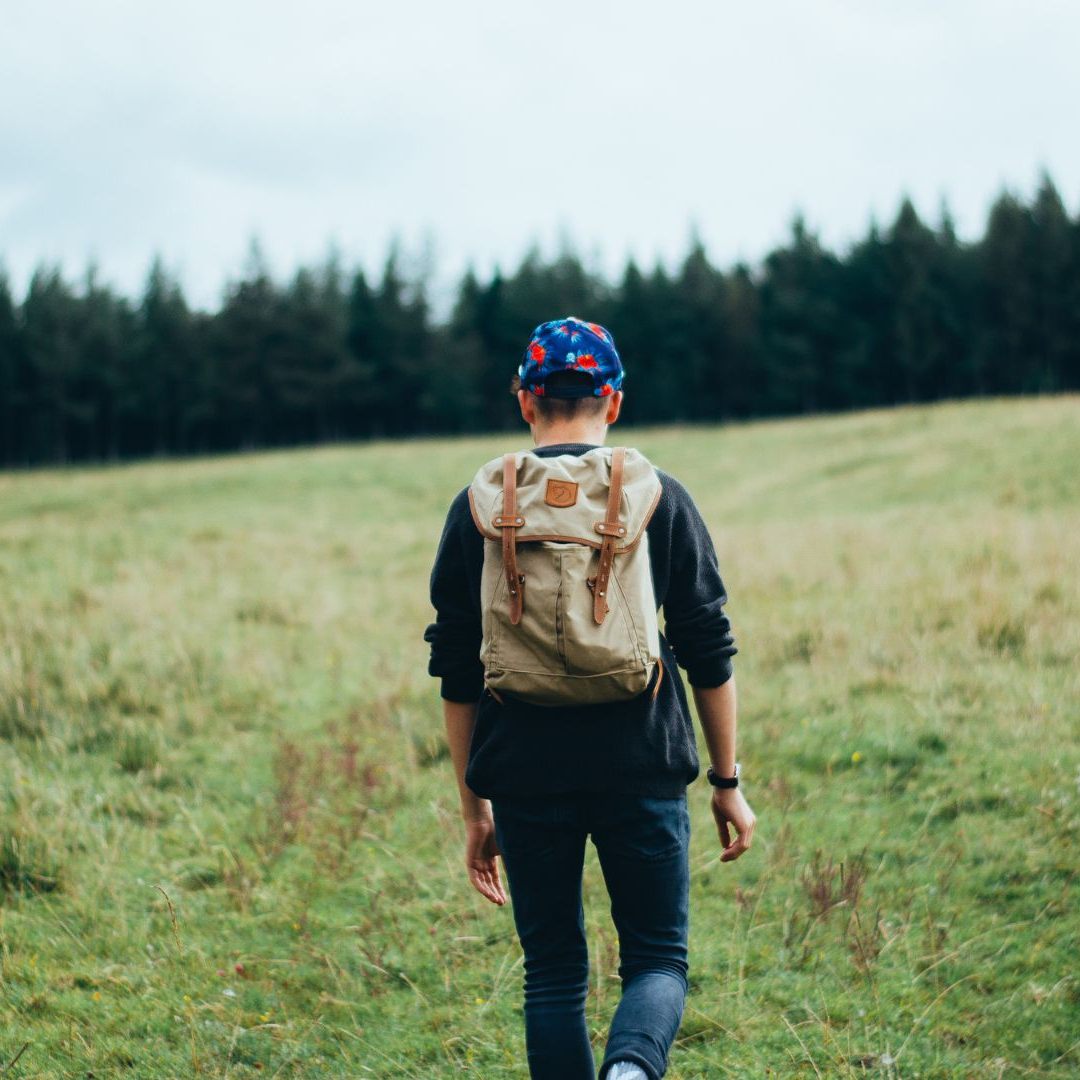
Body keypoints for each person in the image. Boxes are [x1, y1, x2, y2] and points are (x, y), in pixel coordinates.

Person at [423, 316, 756, 1080]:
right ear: (613, 401)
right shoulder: (658, 496)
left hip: (524, 773)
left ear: (524, 401)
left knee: (552, 974)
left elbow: (456, 668)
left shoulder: (478, 505)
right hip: (643, 764)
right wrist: (726, 782)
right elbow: (708, 646)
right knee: (657, 959)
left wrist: (476, 811)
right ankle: (631, 1071)